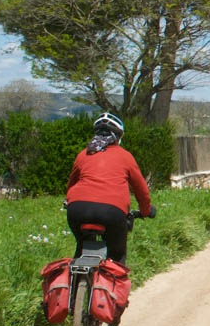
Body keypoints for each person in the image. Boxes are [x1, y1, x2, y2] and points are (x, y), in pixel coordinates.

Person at [65, 113, 153, 268]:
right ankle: (111, 286)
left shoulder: (83, 155)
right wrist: (145, 211)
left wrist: (69, 201)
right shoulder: (125, 156)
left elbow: (71, 184)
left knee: (81, 245)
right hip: (112, 212)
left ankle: (72, 283)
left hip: (77, 209)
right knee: (116, 255)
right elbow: (141, 190)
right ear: (118, 138)